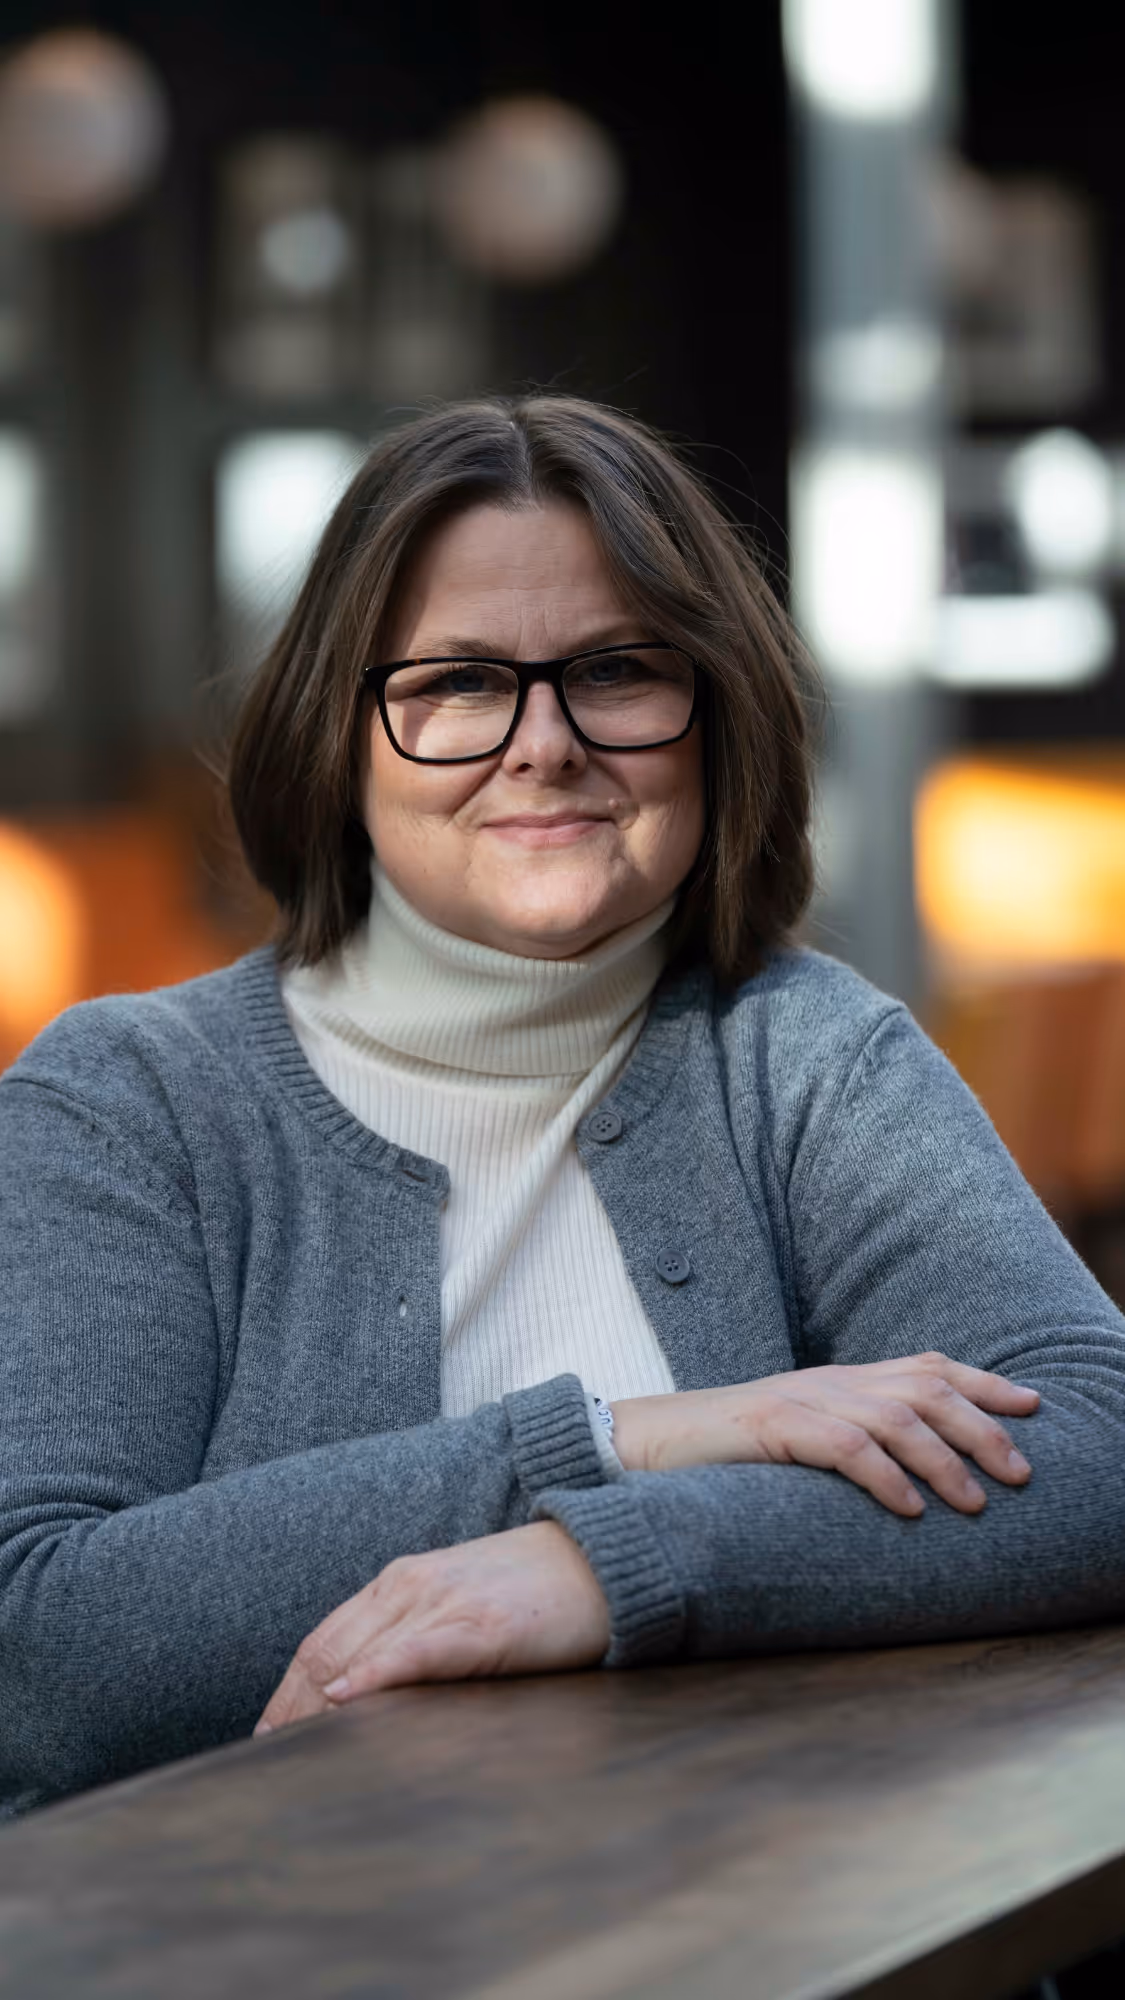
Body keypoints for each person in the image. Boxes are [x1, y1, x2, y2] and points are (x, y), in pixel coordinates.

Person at [3, 395, 1124, 1820]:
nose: (545, 744)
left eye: (616, 670)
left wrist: (602, 1563)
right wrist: (620, 1440)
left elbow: (1101, 1454)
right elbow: (37, 1656)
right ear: (340, 738)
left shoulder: (801, 1058)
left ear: (716, 719)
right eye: (461, 683)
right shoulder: (127, 1105)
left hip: (768, 1910)